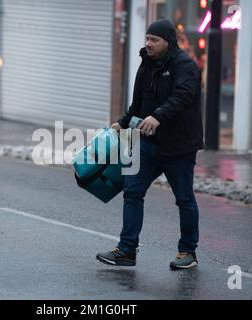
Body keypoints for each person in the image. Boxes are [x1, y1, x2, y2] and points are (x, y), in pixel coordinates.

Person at [96, 19, 204, 270]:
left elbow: (183, 96)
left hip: (179, 145)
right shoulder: (146, 64)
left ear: (168, 41)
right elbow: (138, 104)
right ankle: (126, 251)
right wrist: (122, 123)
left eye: (154, 40)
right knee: (132, 191)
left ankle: (188, 252)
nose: (149, 43)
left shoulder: (184, 65)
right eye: (147, 38)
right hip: (148, 144)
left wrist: (158, 116)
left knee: (184, 198)